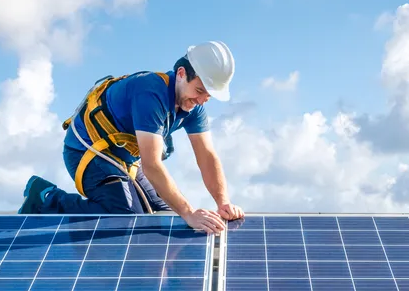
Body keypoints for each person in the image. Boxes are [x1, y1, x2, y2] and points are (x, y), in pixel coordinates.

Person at [18, 40, 244, 234]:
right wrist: (189, 211)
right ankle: (47, 198)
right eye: (200, 90)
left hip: (124, 159)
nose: (203, 99)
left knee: (162, 215)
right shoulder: (150, 93)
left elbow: (207, 156)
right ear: (182, 74)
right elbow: (152, 165)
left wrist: (223, 202)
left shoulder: (193, 106)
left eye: (209, 95)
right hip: (87, 150)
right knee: (125, 219)